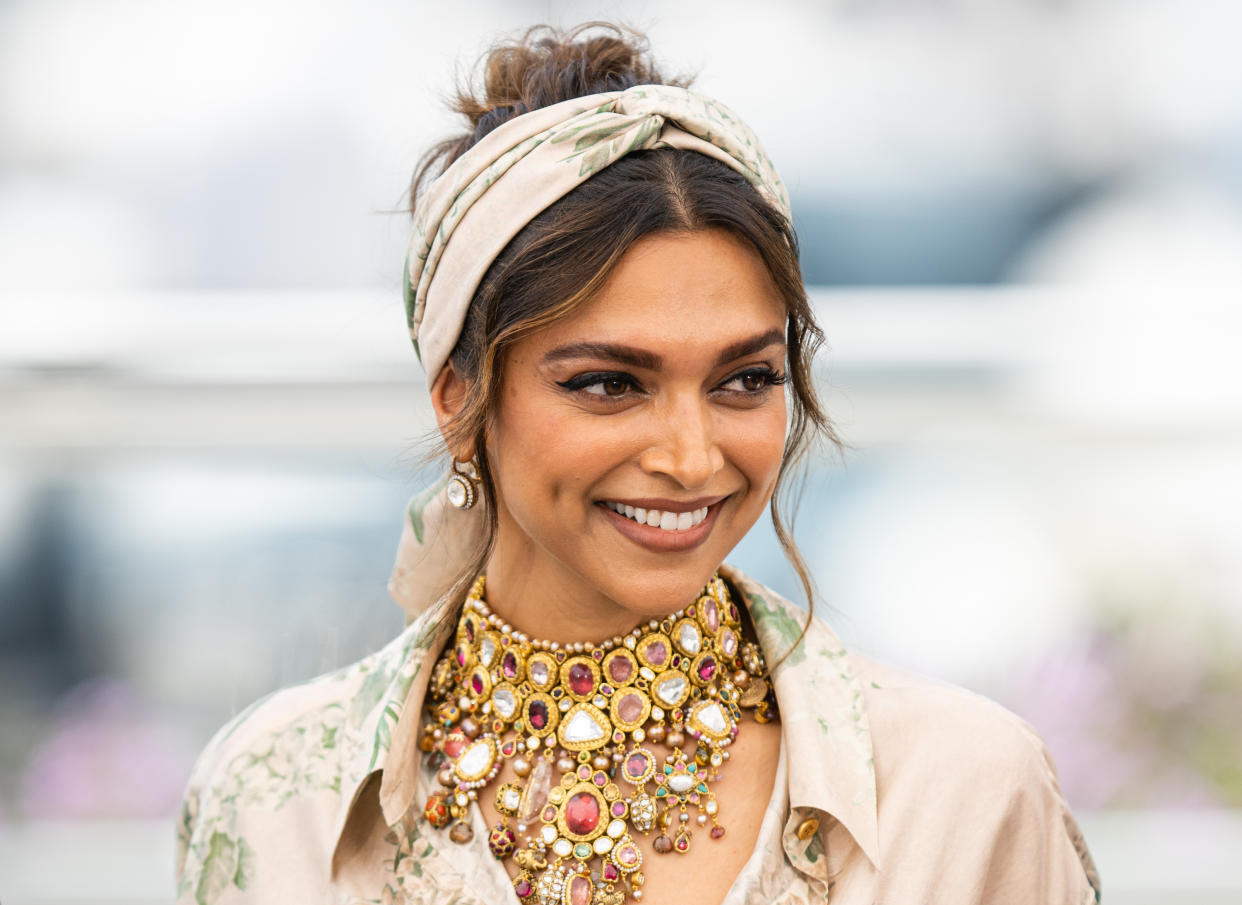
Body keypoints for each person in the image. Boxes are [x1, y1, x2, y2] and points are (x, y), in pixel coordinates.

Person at [175, 23, 1101, 905]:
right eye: (611, 384)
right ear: (459, 398)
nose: (692, 456)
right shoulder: (275, 794)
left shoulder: (962, 791)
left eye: (744, 379)